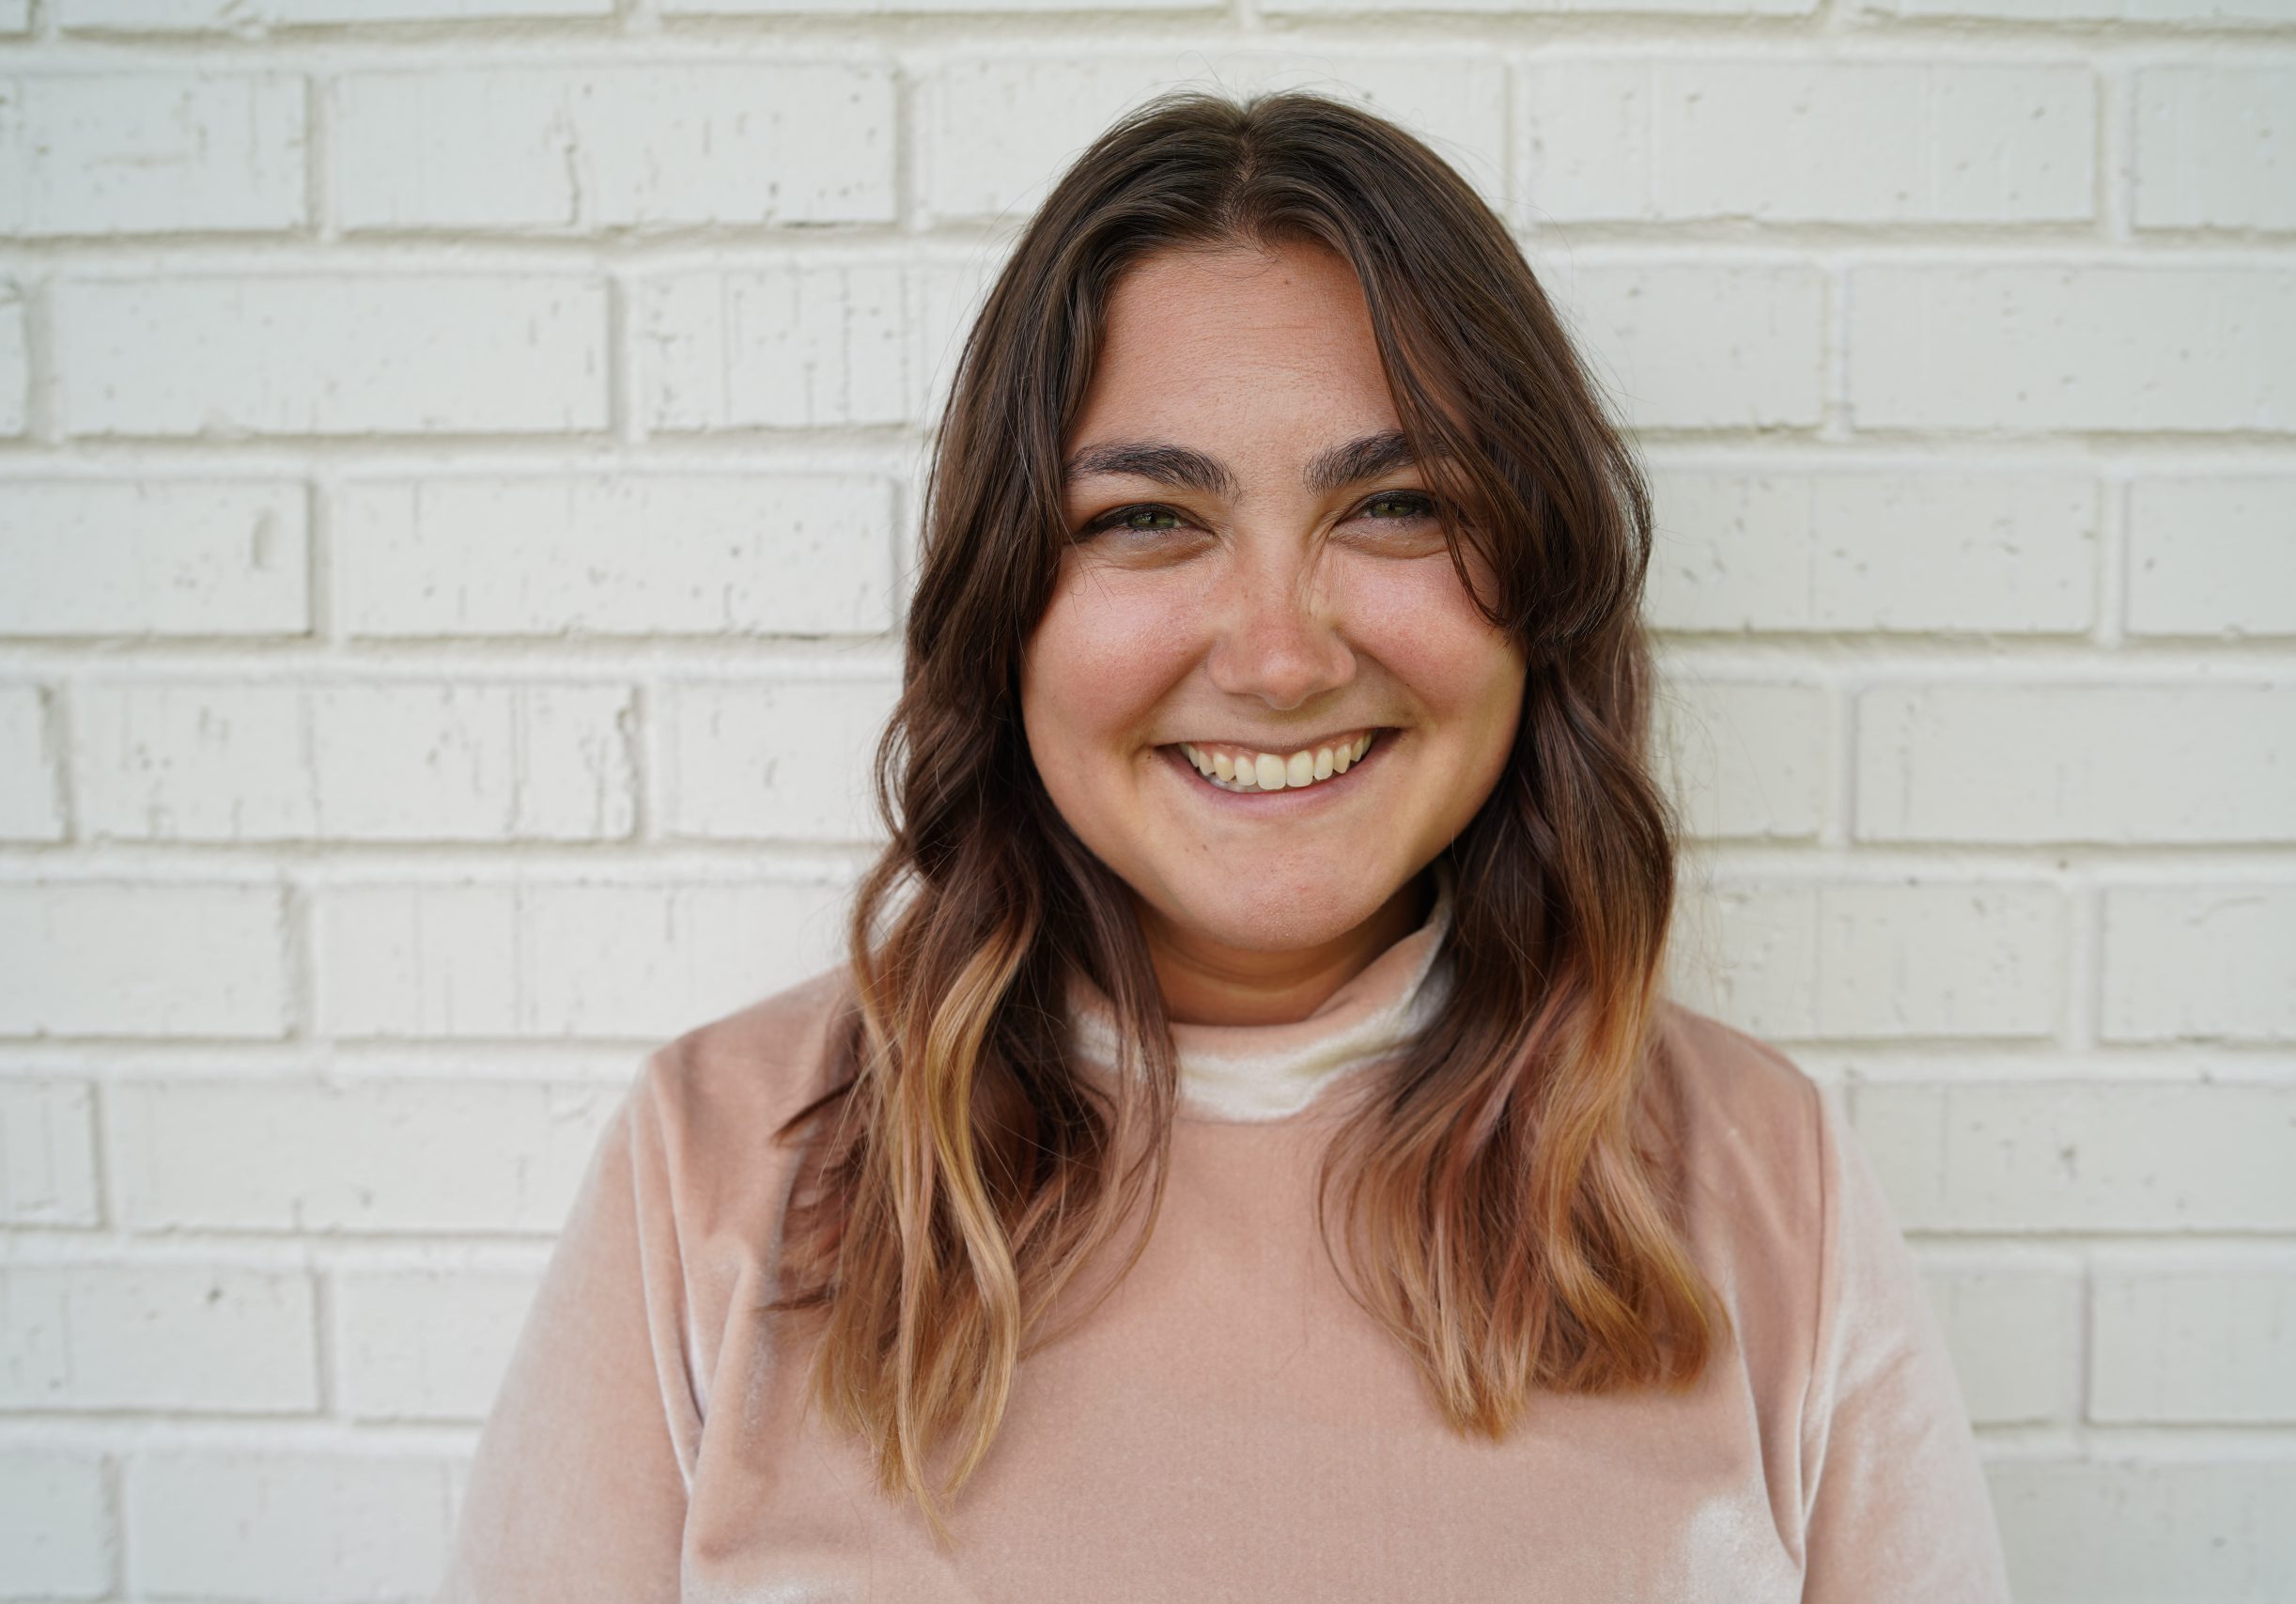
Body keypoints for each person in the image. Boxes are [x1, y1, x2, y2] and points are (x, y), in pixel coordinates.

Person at [433, 87, 2013, 1602]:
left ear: (1542, 584)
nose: (1277, 657)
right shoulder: (717, 1166)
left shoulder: (1765, 1180)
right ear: (1005, 609)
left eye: (1397, 505)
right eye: (1147, 520)